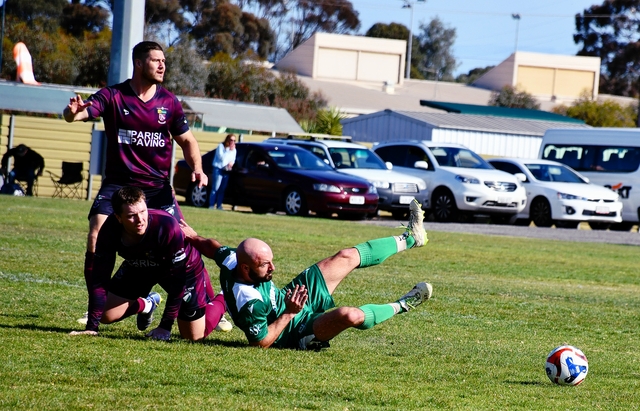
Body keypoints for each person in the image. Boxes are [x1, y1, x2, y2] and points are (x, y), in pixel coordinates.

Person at [62, 41, 208, 324]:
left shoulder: (169, 102)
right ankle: (98, 306)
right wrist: (72, 112)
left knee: (186, 238)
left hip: (156, 189)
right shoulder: (114, 96)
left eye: (164, 60)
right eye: (156, 60)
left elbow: (188, 140)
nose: (162, 65)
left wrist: (198, 169)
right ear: (139, 64)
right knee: (96, 233)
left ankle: (210, 301)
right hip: (119, 184)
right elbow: (80, 114)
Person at [179, 199, 432, 350]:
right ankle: (403, 304)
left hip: (293, 298)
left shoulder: (234, 260)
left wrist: (192, 236)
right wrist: (290, 312)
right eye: (266, 265)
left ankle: (411, 237)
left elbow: (212, 247)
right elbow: (260, 343)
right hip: (292, 330)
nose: (273, 268)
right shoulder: (249, 301)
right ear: (246, 269)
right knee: (349, 315)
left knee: (345, 256)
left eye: (271, 261)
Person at [70, 186, 230, 340]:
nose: (140, 220)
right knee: (105, 315)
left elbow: (177, 282)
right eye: (131, 216)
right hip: (141, 265)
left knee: (193, 336)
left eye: (143, 211)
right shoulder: (109, 230)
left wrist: (165, 326)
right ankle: (147, 304)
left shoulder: (166, 226)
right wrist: (92, 327)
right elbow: (100, 278)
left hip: (180, 270)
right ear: (118, 218)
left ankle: (224, 298)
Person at [208, 134, 237, 210]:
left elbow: (233, 159)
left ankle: (219, 205)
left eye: (234, 140)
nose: (232, 142)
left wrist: (231, 163)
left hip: (227, 170)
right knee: (215, 188)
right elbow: (222, 158)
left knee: (222, 189)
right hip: (218, 168)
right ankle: (211, 205)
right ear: (227, 140)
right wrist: (228, 150)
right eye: (231, 140)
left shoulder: (234, 150)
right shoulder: (221, 147)